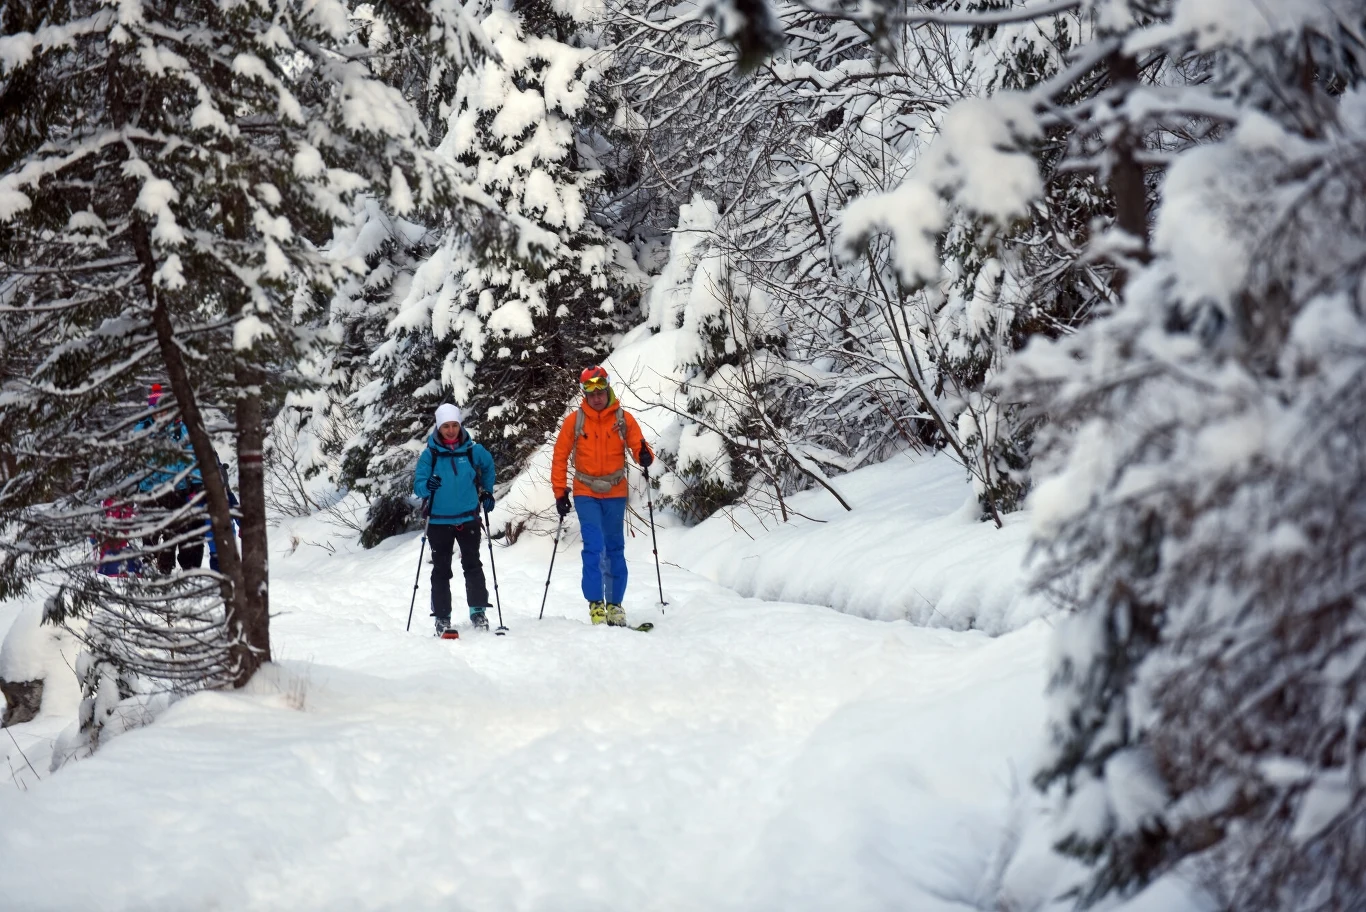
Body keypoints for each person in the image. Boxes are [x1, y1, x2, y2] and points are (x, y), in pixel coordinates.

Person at [550, 366, 655, 626]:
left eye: (600, 391)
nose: (596, 397)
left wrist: (645, 456)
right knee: (594, 546)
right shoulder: (574, 421)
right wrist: (560, 491)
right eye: (590, 392)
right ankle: (596, 604)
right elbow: (560, 457)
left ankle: (615, 605)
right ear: (584, 393)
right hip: (585, 491)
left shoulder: (623, 419)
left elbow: (639, 446)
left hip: (615, 490)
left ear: (607, 388)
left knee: (615, 549)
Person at [412, 403, 497, 635]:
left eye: (454, 425)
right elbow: (418, 486)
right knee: (441, 569)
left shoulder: (472, 450)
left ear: (460, 425)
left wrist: (487, 491)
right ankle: (442, 617)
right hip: (438, 521)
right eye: (446, 426)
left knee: (473, 565)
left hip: (468, 517)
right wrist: (427, 486)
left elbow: (488, 466)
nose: (450, 430)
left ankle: (478, 611)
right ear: (439, 428)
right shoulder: (430, 455)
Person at [136, 384, 205, 574]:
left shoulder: (181, 429)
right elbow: (133, 461)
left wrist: (197, 483)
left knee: (172, 531)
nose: (161, 414)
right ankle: (149, 564)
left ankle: (165, 568)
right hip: (149, 490)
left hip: (177, 489)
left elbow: (191, 457)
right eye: (158, 410)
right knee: (150, 532)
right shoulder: (142, 430)